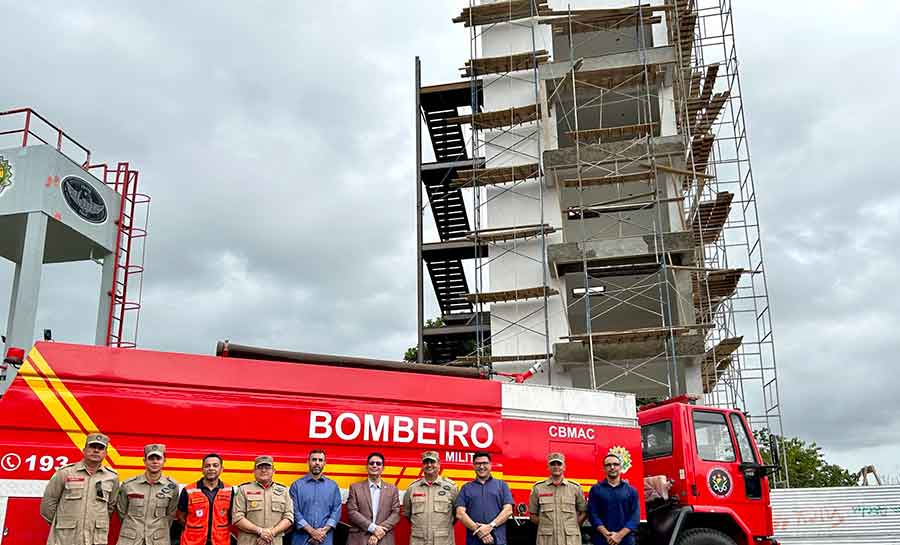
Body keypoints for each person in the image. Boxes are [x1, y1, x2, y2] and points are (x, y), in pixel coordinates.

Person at [40, 433, 120, 545]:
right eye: (92, 447)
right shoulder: (66, 472)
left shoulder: (112, 477)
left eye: (101, 448)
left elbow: (110, 507)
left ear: (105, 453)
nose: (96, 450)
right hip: (65, 539)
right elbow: (48, 505)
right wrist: (62, 523)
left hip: (95, 539)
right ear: (84, 450)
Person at [116, 443, 180, 545]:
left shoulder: (172, 487)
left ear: (164, 461)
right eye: (151, 458)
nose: (155, 462)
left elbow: (170, 515)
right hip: (130, 539)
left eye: (158, 458)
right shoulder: (129, 485)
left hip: (158, 540)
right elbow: (122, 512)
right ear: (144, 461)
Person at [233, 456, 294, 545]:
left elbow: (289, 517)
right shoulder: (243, 490)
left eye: (267, 467)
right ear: (254, 471)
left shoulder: (284, 491)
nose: (264, 470)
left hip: (274, 542)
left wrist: (272, 533)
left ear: (274, 471)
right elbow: (237, 518)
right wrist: (260, 531)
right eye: (260, 467)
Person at [528, 453, 587, 545]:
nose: (556, 467)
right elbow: (532, 515)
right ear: (548, 467)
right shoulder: (538, 488)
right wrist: (546, 525)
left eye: (559, 464)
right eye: (552, 464)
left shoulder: (575, 488)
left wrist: (573, 525)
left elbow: (584, 512)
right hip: (547, 540)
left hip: (570, 540)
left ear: (564, 467)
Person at [455, 452, 513, 545]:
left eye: (485, 463)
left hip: (497, 541)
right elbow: (460, 513)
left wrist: (490, 526)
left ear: (490, 465)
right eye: (478, 463)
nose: (481, 467)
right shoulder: (466, 488)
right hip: (473, 541)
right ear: (473, 466)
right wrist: (479, 530)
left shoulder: (502, 485)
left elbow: (508, 510)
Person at [177, 453, 233, 545]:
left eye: (215, 465)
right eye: (207, 466)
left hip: (220, 541)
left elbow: (231, 517)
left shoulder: (229, 491)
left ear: (221, 469)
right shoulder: (188, 490)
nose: (211, 468)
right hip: (193, 542)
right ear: (202, 470)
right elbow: (180, 517)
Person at [403, 451, 458, 545]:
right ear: (422, 466)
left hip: (443, 541)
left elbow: (456, 514)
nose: (429, 465)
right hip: (419, 541)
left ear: (439, 464)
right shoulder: (412, 488)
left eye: (432, 462)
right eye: (426, 462)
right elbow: (407, 514)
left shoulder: (451, 488)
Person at [289, 449, 343, 545]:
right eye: (314, 459)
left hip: (324, 539)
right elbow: (294, 512)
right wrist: (312, 532)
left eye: (320, 460)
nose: (317, 463)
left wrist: (322, 532)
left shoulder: (333, 486)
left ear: (325, 463)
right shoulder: (296, 485)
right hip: (301, 540)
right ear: (308, 462)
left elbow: (336, 511)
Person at [347, 452, 401, 545]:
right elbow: (352, 512)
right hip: (359, 539)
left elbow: (396, 513)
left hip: (384, 539)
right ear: (367, 467)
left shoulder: (392, 489)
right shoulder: (355, 488)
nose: (374, 465)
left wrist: (378, 533)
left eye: (378, 463)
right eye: (371, 463)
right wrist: (373, 528)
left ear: (383, 468)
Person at [587, 454, 639, 545]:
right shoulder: (595, 489)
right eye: (608, 465)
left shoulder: (631, 490)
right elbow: (593, 515)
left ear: (620, 467)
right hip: (602, 539)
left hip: (625, 540)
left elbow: (635, 517)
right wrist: (607, 534)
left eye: (615, 464)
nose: (612, 467)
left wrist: (619, 535)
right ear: (604, 468)